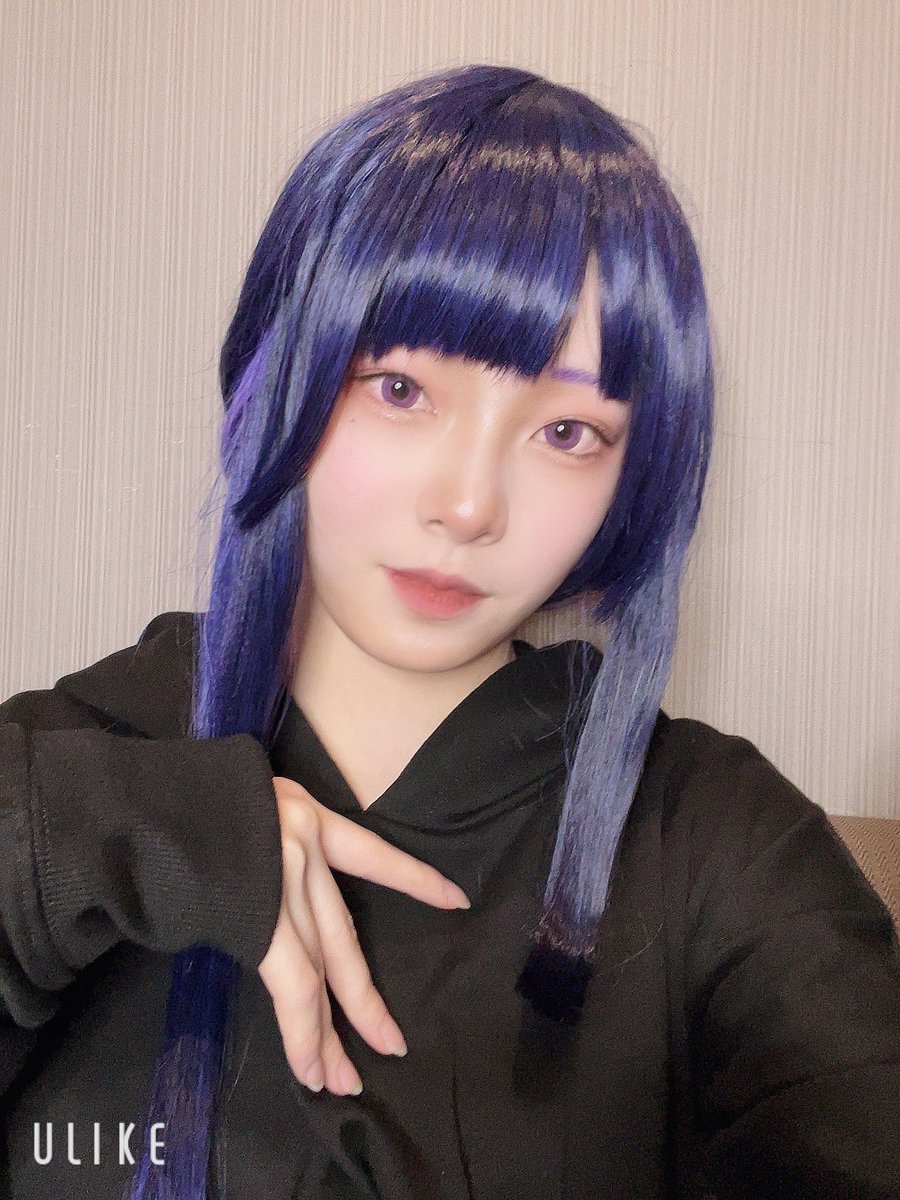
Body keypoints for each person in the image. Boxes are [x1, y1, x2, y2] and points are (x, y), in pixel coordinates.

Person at [1, 63, 898, 1200]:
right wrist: (107, 838)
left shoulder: (719, 847)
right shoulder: (73, 758)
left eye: (567, 432)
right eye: (399, 389)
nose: (470, 505)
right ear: (284, 371)